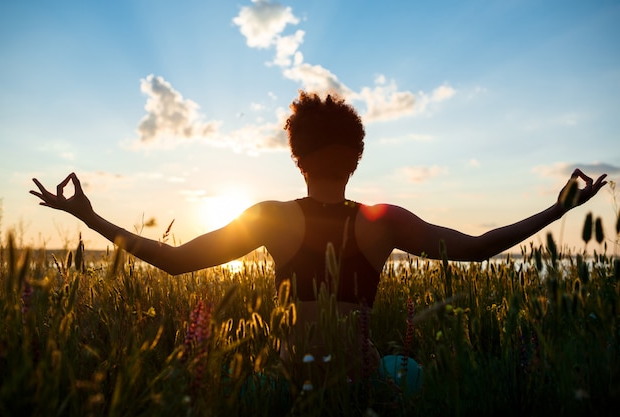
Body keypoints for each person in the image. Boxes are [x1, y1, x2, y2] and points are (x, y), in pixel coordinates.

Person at [30, 91, 607, 394]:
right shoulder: (384, 220)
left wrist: (89, 217)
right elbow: (480, 247)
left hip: (287, 384)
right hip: (365, 382)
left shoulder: (270, 218)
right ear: (356, 158)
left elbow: (176, 262)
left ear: (296, 156)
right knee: (408, 371)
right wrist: (559, 208)